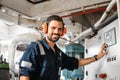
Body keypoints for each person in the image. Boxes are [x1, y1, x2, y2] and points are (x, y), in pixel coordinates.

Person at [19, 15, 108, 80]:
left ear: (63, 32)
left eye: (59, 29)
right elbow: (24, 75)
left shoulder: (58, 53)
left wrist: (97, 57)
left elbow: (77, 63)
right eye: (53, 28)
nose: (56, 32)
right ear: (46, 29)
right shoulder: (35, 48)